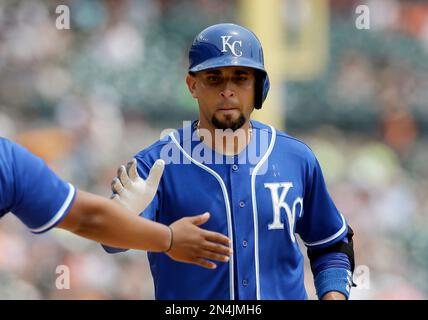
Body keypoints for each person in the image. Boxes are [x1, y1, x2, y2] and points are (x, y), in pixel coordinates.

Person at [104, 23, 355, 300]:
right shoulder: (156, 165)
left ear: (259, 86)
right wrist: (119, 221)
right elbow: (111, 243)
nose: (228, 90)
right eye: (214, 78)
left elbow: (331, 245)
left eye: (241, 77)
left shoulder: (296, 158)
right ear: (192, 85)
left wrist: (334, 296)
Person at [0, 137, 232, 269]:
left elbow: (90, 220)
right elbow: (87, 219)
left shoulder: (9, 161)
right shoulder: (7, 159)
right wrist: (169, 239)